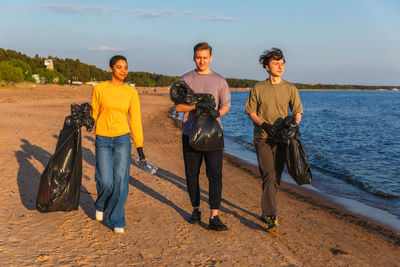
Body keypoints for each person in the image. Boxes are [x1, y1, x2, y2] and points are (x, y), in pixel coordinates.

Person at [174, 42, 231, 231]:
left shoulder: (220, 81)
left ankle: (214, 216)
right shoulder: (186, 79)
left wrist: (217, 113)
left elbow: (225, 106)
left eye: (205, 57)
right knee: (192, 174)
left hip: (214, 134)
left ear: (211, 58)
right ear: (194, 57)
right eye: (198, 57)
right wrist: (197, 106)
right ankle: (196, 209)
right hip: (190, 133)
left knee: (215, 174)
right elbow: (178, 107)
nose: (202, 61)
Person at [245, 48, 303, 230]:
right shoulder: (258, 87)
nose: (280, 66)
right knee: (269, 174)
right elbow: (251, 112)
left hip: (282, 140)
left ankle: (265, 210)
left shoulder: (290, 88)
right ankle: (271, 215)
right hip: (262, 137)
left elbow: (298, 112)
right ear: (267, 67)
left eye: (282, 63)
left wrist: (292, 124)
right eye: (276, 63)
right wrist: (263, 124)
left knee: (275, 177)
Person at [91, 55, 145, 234]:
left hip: (122, 139)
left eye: (126, 67)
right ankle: (100, 204)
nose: (123, 71)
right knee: (106, 182)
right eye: (119, 67)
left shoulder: (131, 92)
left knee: (121, 182)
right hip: (102, 139)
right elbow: (94, 113)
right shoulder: (99, 89)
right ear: (111, 69)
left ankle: (116, 219)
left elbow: (135, 119)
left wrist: (139, 145)